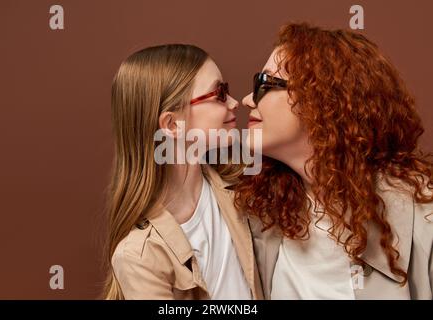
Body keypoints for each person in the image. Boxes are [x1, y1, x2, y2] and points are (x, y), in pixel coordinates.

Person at [235, 23, 433, 299]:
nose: (247, 100)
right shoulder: (261, 213)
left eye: (264, 84)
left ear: (320, 101)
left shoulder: (423, 218)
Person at [103, 44, 263, 299]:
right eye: (219, 93)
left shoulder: (243, 189)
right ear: (172, 124)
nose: (234, 103)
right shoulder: (138, 255)